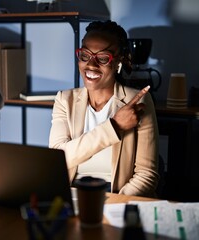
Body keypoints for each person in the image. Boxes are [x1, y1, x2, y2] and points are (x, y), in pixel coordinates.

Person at [49, 20, 159, 197]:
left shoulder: (137, 101)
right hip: (73, 195)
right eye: (85, 55)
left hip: (119, 196)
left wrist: (114, 206)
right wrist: (113, 126)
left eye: (102, 58)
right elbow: (57, 160)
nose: (91, 65)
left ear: (119, 62)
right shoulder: (64, 99)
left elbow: (147, 175)